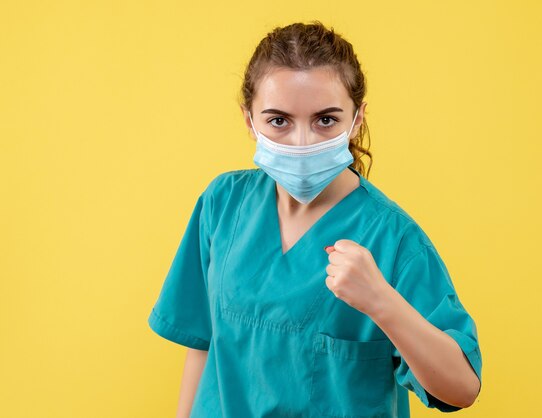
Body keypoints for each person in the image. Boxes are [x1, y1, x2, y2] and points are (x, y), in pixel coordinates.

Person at [148, 20, 483, 418]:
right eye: (279, 121)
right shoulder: (223, 204)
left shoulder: (392, 239)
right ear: (249, 121)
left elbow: (462, 389)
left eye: (326, 120)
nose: (302, 143)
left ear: (357, 119)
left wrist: (382, 303)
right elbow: (203, 346)